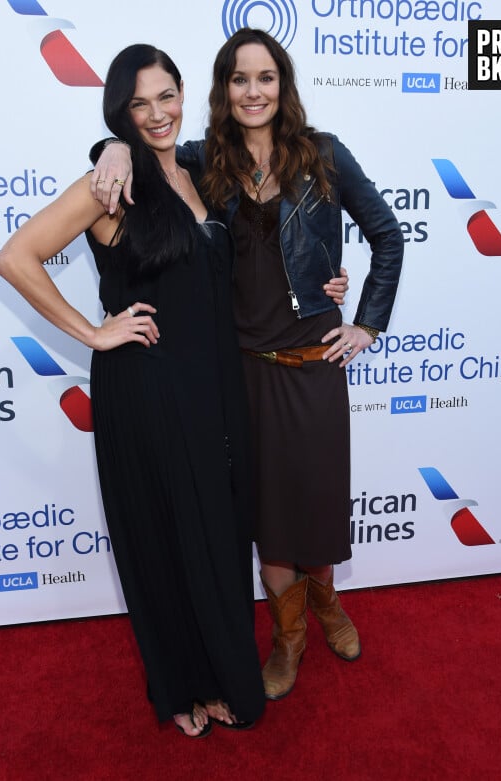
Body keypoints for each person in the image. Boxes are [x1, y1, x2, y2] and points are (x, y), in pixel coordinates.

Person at [90, 28, 404, 702]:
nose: (253, 91)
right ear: (224, 89)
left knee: (314, 507)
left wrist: (367, 321)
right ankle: (287, 636)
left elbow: (387, 234)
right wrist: (110, 143)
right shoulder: (207, 160)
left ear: (283, 85)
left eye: (266, 78)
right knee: (264, 514)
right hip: (242, 369)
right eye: (239, 79)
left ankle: (327, 607)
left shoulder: (324, 155)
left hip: (314, 363)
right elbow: (147, 151)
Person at [0, 43, 275, 738]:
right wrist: (92, 332)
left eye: (166, 96)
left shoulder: (205, 169)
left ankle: (218, 671)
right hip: (146, 389)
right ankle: (183, 684)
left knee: (216, 532)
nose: (157, 114)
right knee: (162, 537)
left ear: (185, 96)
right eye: (137, 104)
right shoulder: (111, 186)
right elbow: (15, 256)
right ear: (119, 111)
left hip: (212, 389)